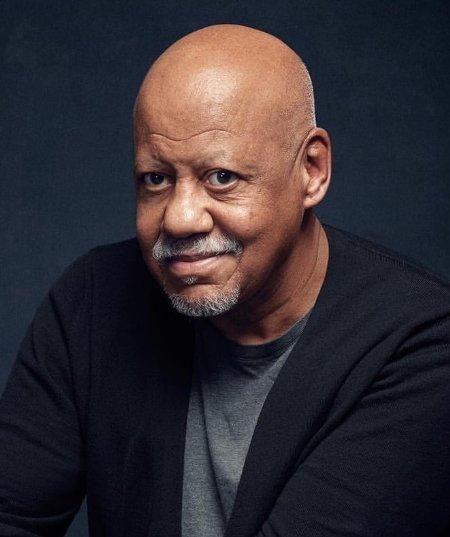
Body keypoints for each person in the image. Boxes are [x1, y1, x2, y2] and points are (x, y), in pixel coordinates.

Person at [1, 23, 449, 537]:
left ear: (311, 170)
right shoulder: (94, 300)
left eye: (222, 177)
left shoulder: (423, 343)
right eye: (156, 179)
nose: (179, 219)